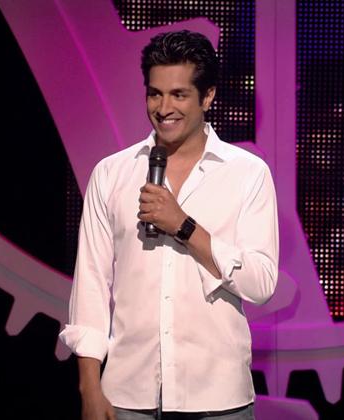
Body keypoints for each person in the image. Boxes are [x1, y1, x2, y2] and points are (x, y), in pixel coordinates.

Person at [59, 30, 279, 420]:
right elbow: (91, 284)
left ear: (207, 96)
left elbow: (261, 283)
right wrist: (89, 387)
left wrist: (184, 226)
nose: (163, 108)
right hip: (127, 395)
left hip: (217, 399)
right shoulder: (111, 173)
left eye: (178, 95)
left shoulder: (247, 173)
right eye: (154, 94)